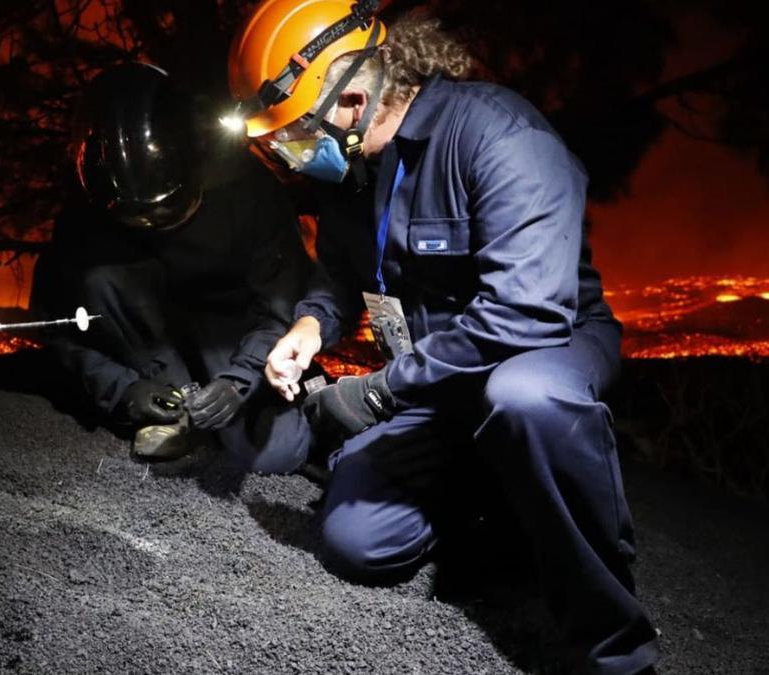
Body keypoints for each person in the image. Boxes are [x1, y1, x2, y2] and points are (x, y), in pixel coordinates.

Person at [228, 1, 659, 672]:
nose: (288, 158)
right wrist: (311, 328)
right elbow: (342, 282)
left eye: (292, 136)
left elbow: (526, 317)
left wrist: (374, 396)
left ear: (350, 98)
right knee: (355, 540)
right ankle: (511, 508)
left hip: (543, 350)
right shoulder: (356, 176)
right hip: (439, 379)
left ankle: (614, 647)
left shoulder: (499, 136)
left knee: (527, 395)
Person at [30, 63, 314, 473]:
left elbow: (282, 303)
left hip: (232, 336)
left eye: (171, 207)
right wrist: (123, 391)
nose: (159, 223)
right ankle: (170, 408)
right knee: (100, 278)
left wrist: (241, 379)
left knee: (276, 451)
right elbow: (60, 331)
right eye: (139, 217)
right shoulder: (85, 221)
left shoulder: (246, 190)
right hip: (149, 349)